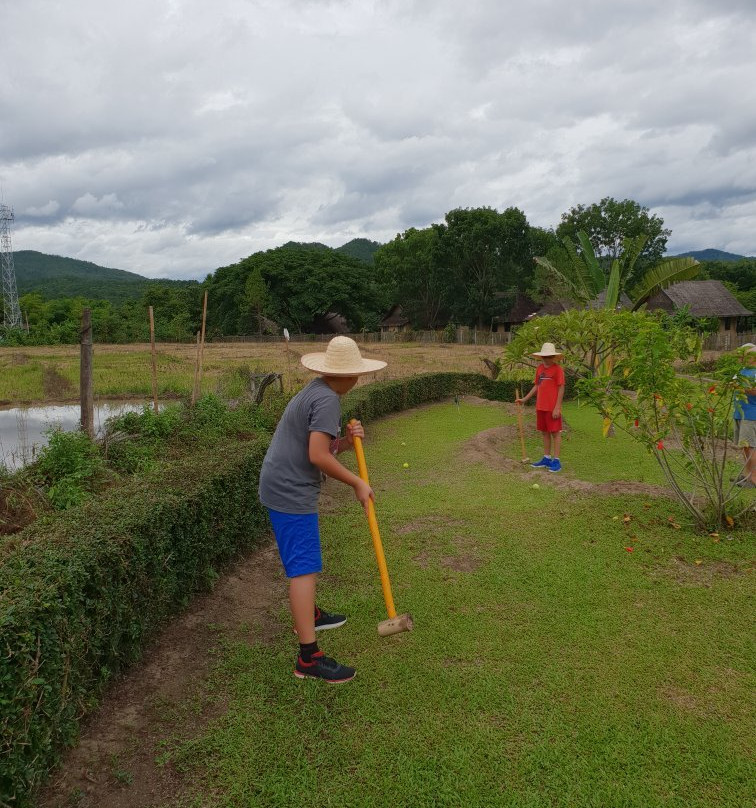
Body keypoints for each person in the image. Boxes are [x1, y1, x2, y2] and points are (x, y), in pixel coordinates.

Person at [258, 336, 387, 683]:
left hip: (282, 484)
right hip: (289, 490)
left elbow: (319, 447)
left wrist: (344, 442)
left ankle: (310, 614)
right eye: (357, 373)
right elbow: (317, 457)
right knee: (303, 569)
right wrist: (357, 482)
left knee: (306, 564)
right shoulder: (328, 399)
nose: (358, 379)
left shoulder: (317, 390)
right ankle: (308, 658)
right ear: (346, 375)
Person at [515, 342, 565, 473]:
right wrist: (524, 399)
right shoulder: (539, 369)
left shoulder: (558, 369)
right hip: (541, 407)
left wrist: (557, 408)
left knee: (555, 432)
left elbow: (561, 388)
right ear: (541, 357)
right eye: (544, 357)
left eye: (549, 356)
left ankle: (557, 461)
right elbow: (537, 386)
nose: (546, 359)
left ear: (553, 357)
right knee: (545, 432)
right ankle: (546, 458)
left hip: (552, 408)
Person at [734, 343, 756, 489]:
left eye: (746, 355)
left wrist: (742, 389)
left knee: (751, 446)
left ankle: (753, 479)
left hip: (751, 414)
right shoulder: (742, 370)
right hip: (740, 413)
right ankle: (747, 475)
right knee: (745, 446)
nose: (742, 357)